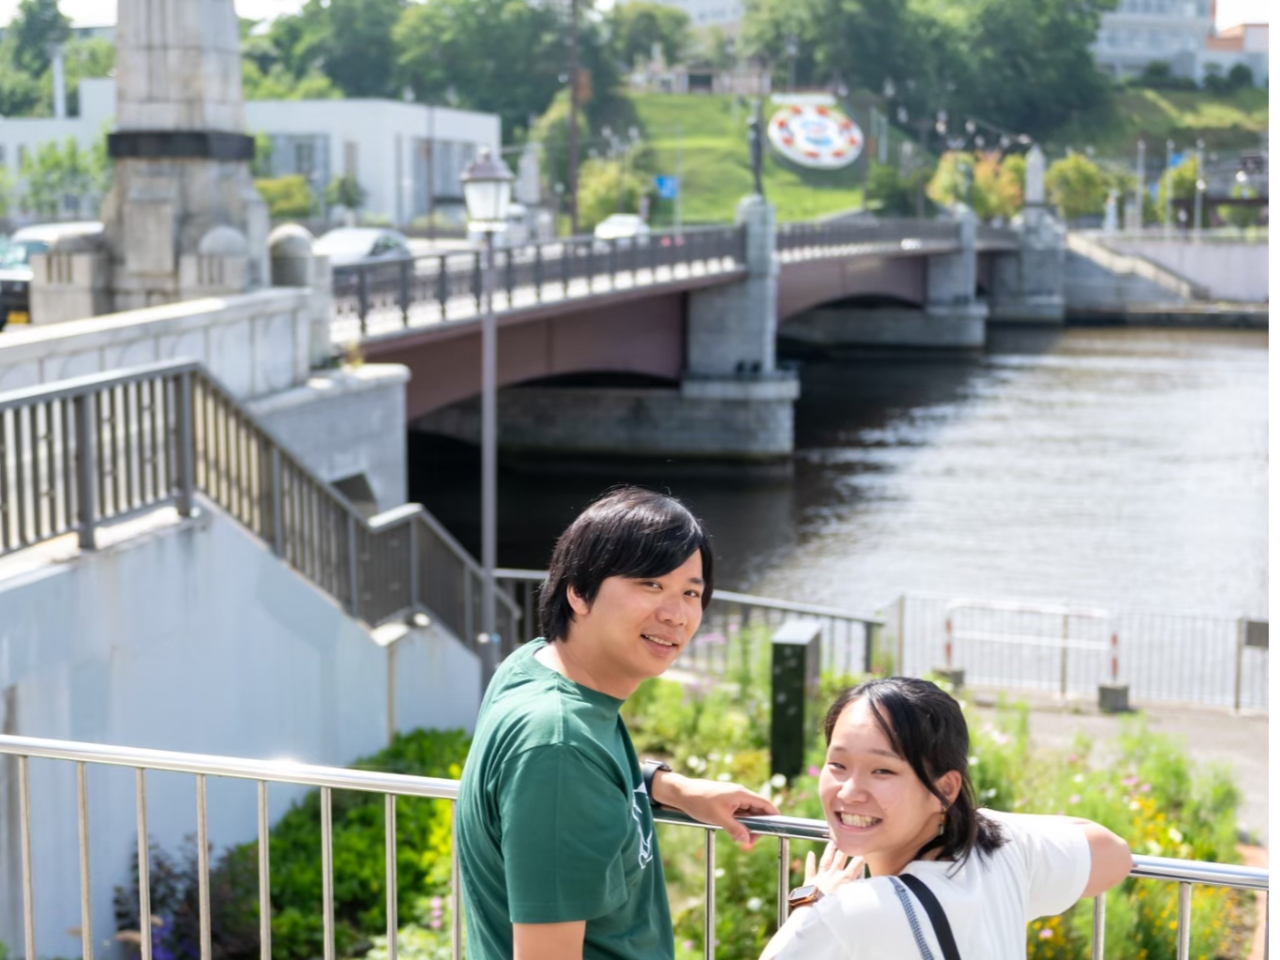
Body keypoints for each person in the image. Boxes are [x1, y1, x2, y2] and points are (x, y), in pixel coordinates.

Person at [456, 486, 778, 960]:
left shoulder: (533, 667)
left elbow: (578, 771)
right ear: (579, 593)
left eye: (691, 592)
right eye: (650, 584)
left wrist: (668, 787)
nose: (676, 614)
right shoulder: (558, 744)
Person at [762, 677, 1133, 960]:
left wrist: (811, 904)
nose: (848, 792)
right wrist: (974, 818)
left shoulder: (849, 912)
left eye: (882, 771)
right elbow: (1114, 854)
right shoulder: (1001, 854)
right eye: (838, 765)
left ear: (946, 787)